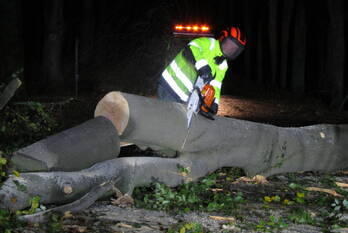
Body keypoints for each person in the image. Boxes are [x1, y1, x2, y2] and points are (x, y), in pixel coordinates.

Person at [157, 26, 247, 114]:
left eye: (234, 49)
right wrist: (203, 67)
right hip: (169, 86)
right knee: (166, 119)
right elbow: (190, 49)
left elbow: (216, 85)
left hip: (185, 96)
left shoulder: (223, 65)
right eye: (229, 44)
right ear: (222, 38)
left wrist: (214, 103)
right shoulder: (208, 43)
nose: (230, 49)